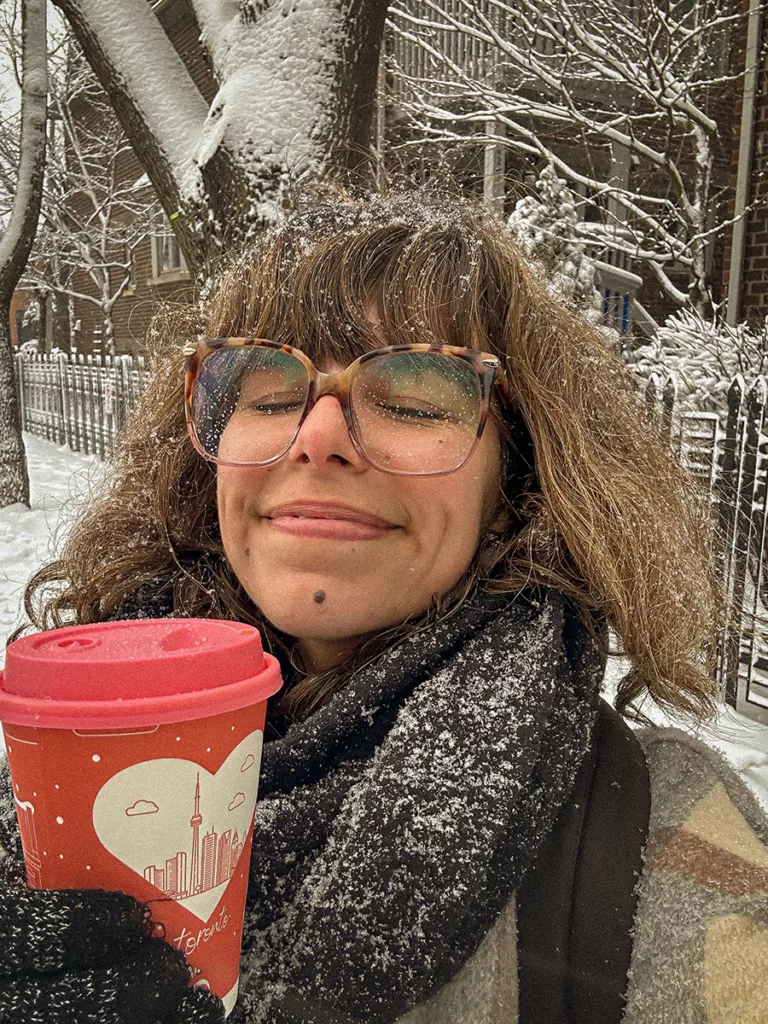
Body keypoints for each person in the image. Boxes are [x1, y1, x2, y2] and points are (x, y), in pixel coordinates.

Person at [2, 187, 768, 1024]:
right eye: (264, 395)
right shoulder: (60, 772)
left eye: (410, 398)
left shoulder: (659, 843)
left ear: (517, 483)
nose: (316, 435)